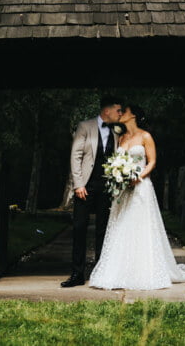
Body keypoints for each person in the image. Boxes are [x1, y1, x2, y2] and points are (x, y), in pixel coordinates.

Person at [88, 104, 185, 290]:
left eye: (124, 111)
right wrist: (118, 175)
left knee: (141, 226)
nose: (120, 114)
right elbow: (117, 161)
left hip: (141, 187)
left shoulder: (145, 136)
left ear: (133, 116)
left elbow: (152, 161)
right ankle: (120, 271)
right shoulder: (121, 138)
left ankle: (144, 270)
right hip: (123, 190)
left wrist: (138, 176)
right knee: (122, 226)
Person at [61, 96, 123, 288]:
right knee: (79, 227)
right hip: (86, 186)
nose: (120, 114)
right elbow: (76, 155)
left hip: (107, 187)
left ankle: (100, 274)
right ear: (107, 111)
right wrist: (78, 184)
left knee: (103, 230)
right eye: (118, 110)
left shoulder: (117, 130)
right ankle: (77, 274)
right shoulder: (84, 126)